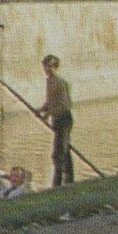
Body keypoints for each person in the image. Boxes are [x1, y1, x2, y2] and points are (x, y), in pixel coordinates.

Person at [38, 54, 75, 186]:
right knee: (64, 151)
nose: (47, 69)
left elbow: (65, 105)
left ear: (55, 67)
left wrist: (48, 114)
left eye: (49, 66)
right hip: (57, 119)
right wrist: (42, 110)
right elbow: (50, 102)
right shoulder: (49, 82)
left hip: (64, 119)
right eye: (45, 66)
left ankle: (58, 183)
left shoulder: (61, 82)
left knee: (59, 153)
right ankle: (69, 180)